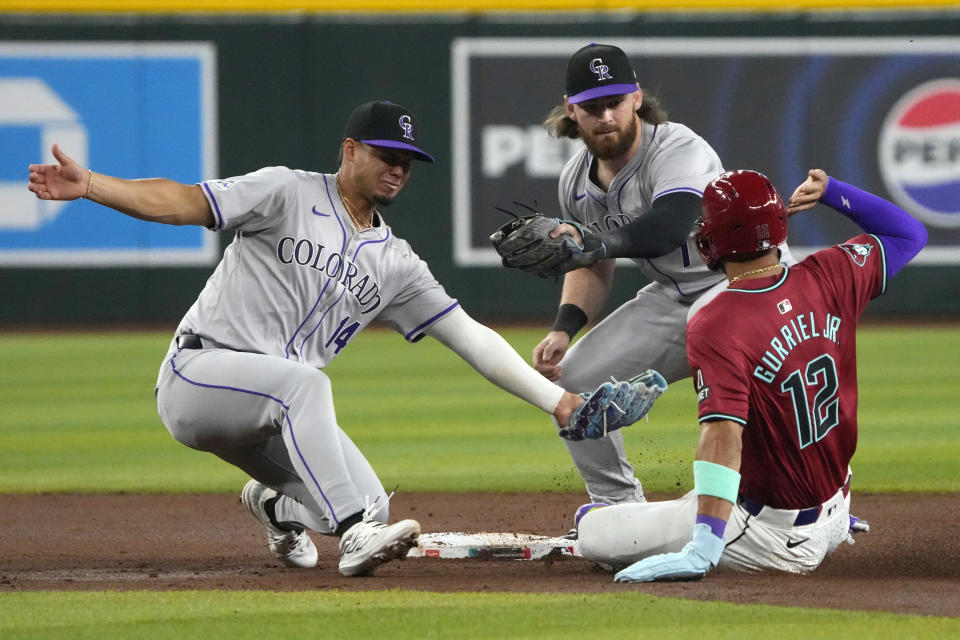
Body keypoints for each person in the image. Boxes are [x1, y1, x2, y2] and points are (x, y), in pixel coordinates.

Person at [27, 100, 608, 578]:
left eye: (409, 162)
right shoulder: (285, 192)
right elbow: (182, 201)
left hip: (268, 407)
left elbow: (471, 338)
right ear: (350, 150)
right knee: (308, 393)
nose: (399, 169)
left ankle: (276, 507)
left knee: (374, 500)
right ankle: (355, 537)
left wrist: (555, 401)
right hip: (198, 379)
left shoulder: (398, 263)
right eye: (388, 155)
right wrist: (92, 186)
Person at [572, 168, 927, 580]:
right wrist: (833, 191)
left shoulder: (717, 319)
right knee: (708, 494)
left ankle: (687, 533)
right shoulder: (833, 272)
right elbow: (909, 234)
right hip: (837, 505)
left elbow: (722, 435)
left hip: (771, 538)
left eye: (705, 222)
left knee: (592, 527)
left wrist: (704, 548)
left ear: (714, 240)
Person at [529, 42, 793, 506]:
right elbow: (593, 266)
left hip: (747, 287)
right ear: (572, 110)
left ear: (635, 98)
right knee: (569, 382)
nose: (606, 116)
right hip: (675, 298)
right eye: (593, 107)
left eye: (614, 102)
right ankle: (617, 509)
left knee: (767, 397)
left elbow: (669, 226)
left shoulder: (677, 147)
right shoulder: (575, 180)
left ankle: (813, 498)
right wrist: (564, 327)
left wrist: (596, 241)